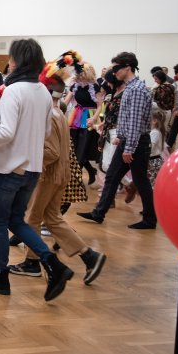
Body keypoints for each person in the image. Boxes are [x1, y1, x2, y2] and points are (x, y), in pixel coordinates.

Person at [0, 38, 74, 301]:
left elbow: (5, 133)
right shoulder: (43, 92)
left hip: (7, 169)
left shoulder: (13, 91)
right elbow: (46, 131)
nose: (9, 62)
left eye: (11, 58)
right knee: (16, 220)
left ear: (17, 61)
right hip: (32, 169)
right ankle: (53, 263)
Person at [8, 65, 106, 286]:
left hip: (48, 176)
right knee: (52, 218)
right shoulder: (58, 112)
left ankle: (32, 263)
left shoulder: (50, 115)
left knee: (32, 218)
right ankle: (89, 256)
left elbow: (50, 152)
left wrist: (26, 156)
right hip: (59, 174)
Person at [78, 52, 156, 229]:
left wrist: (129, 148)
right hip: (128, 141)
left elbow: (135, 122)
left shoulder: (136, 90)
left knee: (140, 181)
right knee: (112, 177)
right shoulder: (130, 88)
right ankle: (99, 213)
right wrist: (121, 137)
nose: (114, 72)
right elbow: (126, 118)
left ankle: (150, 219)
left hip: (135, 143)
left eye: (116, 68)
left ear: (127, 68)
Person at [66, 63, 101, 185]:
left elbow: (99, 106)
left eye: (80, 73)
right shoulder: (75, 86)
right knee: (75, 149)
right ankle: (90, 171)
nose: (78, 76)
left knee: (83, 149)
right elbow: (65, 102)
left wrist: (94, 118)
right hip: (77, 117)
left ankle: (75, 181)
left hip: (89, 118)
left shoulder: (94, 87)